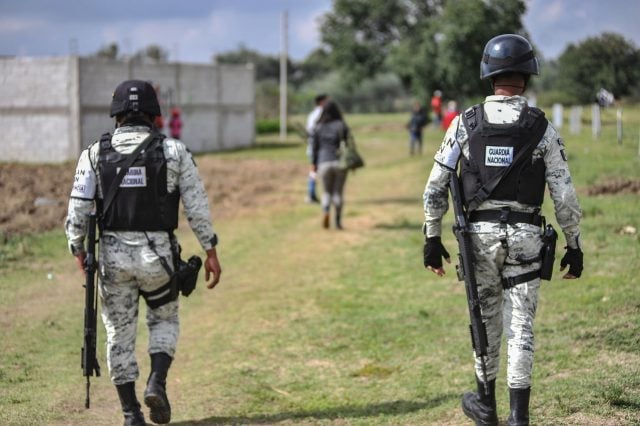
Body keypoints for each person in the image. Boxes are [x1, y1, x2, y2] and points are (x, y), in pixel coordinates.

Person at [422, 34, 583, 425]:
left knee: (485, 318)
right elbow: (563, 194)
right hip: (527, 237)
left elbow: (435, 187)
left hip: (478, 238)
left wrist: (431, 237)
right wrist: (574, 243)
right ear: (527, 76)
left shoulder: (464, 123)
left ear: (488, 75)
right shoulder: (541, 128)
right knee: (521, 327)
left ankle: (484, 404)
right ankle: (518, 418)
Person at [65, 80, 222, 425]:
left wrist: (77, 247)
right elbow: (197, 206)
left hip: (113, 261)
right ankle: (157, 382)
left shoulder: (93, 153)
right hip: (159, 260)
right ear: (154, 114)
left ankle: (131, 413)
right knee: (164, 319)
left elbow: (77, 209)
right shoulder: (174, 151)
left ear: (116, 114)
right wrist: (209, 250)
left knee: (118, 334)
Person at [312, 101, 349, 229]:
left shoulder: (318, 127)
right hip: (340, 162)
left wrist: (314, 164)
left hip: (323, 162)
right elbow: (348, 145)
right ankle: (338, 221)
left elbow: (314, 148)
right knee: (338, 193)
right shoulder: (341, 125)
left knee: (326, 192)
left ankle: (326, 211)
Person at [305, 94, 328, 203]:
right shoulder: (323, 114)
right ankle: (314, 194)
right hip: (322, 148)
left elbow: (309, 131)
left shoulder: (311, 115)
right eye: (327, 101)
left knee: (313, 170)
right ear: (321, 102)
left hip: (312, 147)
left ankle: (311, 193)